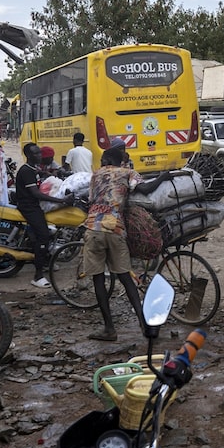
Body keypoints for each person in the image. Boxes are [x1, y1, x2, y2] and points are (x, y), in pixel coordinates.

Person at [82, 145, 146, 341]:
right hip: (115, 229)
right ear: (120, 161)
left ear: (106, 161)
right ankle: (144, 325)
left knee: (98, 280)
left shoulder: (95, 175)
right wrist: (164, 178)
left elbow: (91, 198)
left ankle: (109, 329)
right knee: (126, 278)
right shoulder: (129, 172)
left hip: (93, 228)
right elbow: (143, 188)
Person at [16, 143, 75, 288]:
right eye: (36, 154)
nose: (39, 156)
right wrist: (61, 200)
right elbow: (36, 193)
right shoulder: (26, 171)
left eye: (39, 153)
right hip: (29, 207)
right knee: (43, 235)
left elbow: (39, 175)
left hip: (34, 204)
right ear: (28, 156)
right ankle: (38, 276)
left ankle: (47, 261)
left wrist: (49, 175)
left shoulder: (33, 169)